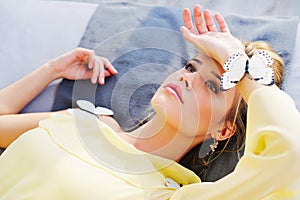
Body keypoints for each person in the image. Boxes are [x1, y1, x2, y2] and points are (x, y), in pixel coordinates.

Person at [0, 4, 299, 199]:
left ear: (223, 130)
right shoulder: (83, 122)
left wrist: (240, 65)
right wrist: (49, 70)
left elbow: (290, 157)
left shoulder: (170, 194)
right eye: (191, 67)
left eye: (212, 85)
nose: (187, 78)